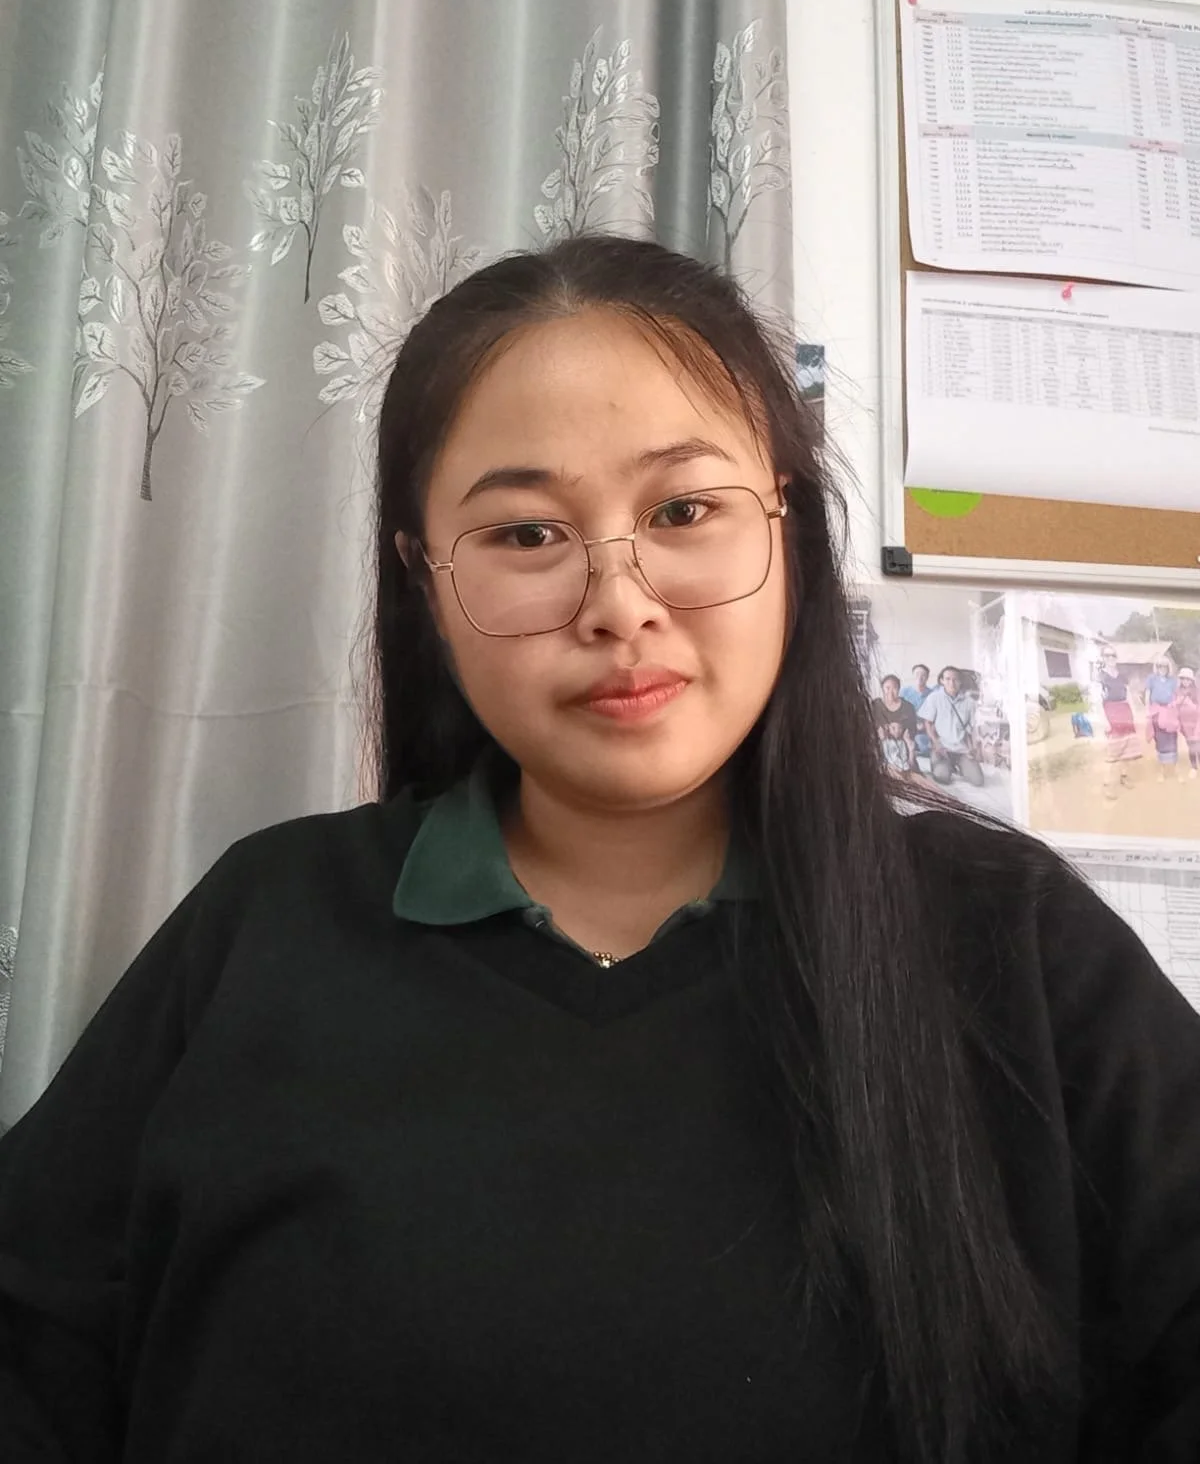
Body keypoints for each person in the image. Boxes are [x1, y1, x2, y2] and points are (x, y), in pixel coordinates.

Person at [1, 237, 1198, 1464]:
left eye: (684, 510)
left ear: (788, 529)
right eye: (526, 535)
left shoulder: (1016, 947)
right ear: (425, 579)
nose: (618, 603)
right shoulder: (270, 922)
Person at [918, 666, 984, 788]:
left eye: (955, 679)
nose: (951, 683)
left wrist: (973, 748)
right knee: (942, 777)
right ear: (941, 681)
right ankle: (945, 765)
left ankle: (958, 765)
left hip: (961, 749)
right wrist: (935, 742)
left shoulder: (969, 702)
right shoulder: (934, 698)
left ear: (960, 681)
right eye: (947, 679)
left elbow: (973, 729)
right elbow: (928, 723)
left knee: (978, 780)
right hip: (942, 749)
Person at [1095, 644, 1141, 801]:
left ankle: (1124, 776)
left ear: (1116, 658)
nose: (1110, 658)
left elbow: (1128, 695)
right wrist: (1105, 721)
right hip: (1111, 713)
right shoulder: (1100, 677)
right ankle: (1107, 784)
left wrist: (1133, 713)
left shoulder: (1122, 676)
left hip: (1125, 712)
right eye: (1107, 656)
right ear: (1103, 658)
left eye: (1113, 655)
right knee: (1113, 752)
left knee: (1127, 749)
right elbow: (1097, 701)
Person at [1144, 658, 1181, 782]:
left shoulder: (1173, 680)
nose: (1162, 668)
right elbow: (1148, 694)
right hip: (1156, 712)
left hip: (1170, 712)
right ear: (1156, 666)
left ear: (1168, 667)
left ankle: (1176, 770)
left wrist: (1175, 705)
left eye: (1165, 666)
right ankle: (1162, 772)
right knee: (1160, 741)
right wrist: (1147, 710)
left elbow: (1177, 695)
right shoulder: (1151, 679)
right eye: (1160, 666)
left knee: (1172, 740)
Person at [901, 663, 934, 763]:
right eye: (917, 674)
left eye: (923, 675)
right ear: (913, 676)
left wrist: (924, 725)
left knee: (923, 743)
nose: (920, 677)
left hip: (924, 730)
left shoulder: (932, 694)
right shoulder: (904, 692)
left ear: (927, 677)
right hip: (907, 727)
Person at [1178, 666, 1200, 780]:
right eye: (1183, 679)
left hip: (1196, 722)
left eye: (1188, 679)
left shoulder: (1196, 692)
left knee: (1197, 745)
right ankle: (1194, 767)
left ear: (1192, 680)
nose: (1185, 681)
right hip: (1185, 724)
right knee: (1190, 746)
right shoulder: (1178, 691)